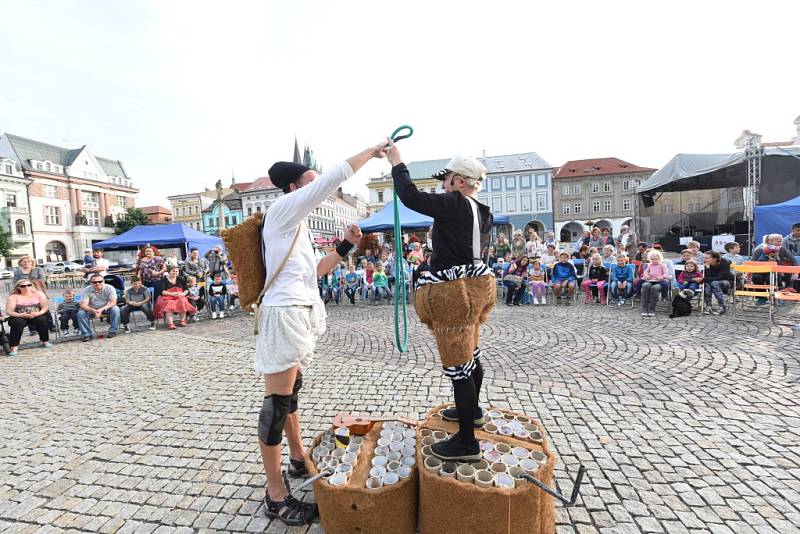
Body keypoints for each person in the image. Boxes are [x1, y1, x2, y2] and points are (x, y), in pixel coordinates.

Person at [253, 141, 385, 525]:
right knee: (276, 404)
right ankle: (275, 496)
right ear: (295, 188)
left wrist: (346, 245)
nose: (318, 188)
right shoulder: (281, 211)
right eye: (310, 183)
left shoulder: (297, 228)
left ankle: (297, 460)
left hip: (300, 313)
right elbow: (334, 178)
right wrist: (370, 151)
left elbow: (312, 274)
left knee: (290, 395)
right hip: (284, 315)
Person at [388, 142, 496, 464]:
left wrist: (397, 162)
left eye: (446, 179)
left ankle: (466, 441)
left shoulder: (456, 203)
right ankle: (472, 412)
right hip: (477, 288)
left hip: (454, 293)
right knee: (472, 353)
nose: (442, 185)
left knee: (458, 365)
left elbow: (410, 197)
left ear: (460, 182)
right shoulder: (482, 211)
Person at [5, 279, 53, 356]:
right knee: (17, 322)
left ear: (32, 285)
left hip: (36, 314)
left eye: (29, 285)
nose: (26, 287)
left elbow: (45, 307)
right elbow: (9, 311)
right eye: (23, 286)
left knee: (42, 319)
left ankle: (45, 341)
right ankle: (14, 346)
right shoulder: (13, 297)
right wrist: (21, 315)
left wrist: (38, 313)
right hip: (19, 316)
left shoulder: (39, 294)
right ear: (18, 287)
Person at [13, 256, 56, 334]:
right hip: (25, 293)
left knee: (44, 309)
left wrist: (27, 283)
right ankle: (32, 329)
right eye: (24, 261)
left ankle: (51, 326)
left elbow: (43, 279)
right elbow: (16, 283)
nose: (26, 263)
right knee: (28, 309)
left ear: (32, 262)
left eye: (29, 261)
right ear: (21, 263)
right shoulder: (17, 272)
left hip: (38, 292)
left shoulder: (38, 269)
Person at [77, 274, 120, 341]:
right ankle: (86, 334)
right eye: (94, 282)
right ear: (91, 283)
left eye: (100, 281)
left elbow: (113, 302)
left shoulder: (110, 288)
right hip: (91, 309)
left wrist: (102, 309)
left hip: (106, 308)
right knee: (81, 313)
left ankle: (113, 331)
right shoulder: (86, 290)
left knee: (116, 309)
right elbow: (83, 305)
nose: (97, 283)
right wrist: (93, 310)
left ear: (104, 281)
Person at [640, 250, 669, 317]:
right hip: (651, 280)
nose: (654, 261)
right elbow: (645, 272)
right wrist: (646, 275)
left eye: (656, 259)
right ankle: (644, 307)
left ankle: (652, 308)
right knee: (645, 285)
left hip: (660, 282)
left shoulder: (662, 265)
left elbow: (666, 274)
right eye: (652, 259)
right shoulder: (649, 265)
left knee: (655, 288)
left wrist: (661, 277)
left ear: (659, 259)